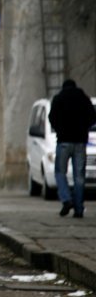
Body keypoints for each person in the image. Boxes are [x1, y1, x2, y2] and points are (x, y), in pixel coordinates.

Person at [48, 79, 96, 218]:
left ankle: (66, 199)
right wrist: (84, 128)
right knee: (79, 177)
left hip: (63, 141)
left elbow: (52, 117)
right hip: (80, 142)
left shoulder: (59, 98)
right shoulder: (83, 98)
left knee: (60, 172)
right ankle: (79, 209)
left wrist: (59, 129)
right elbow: (93, 117)